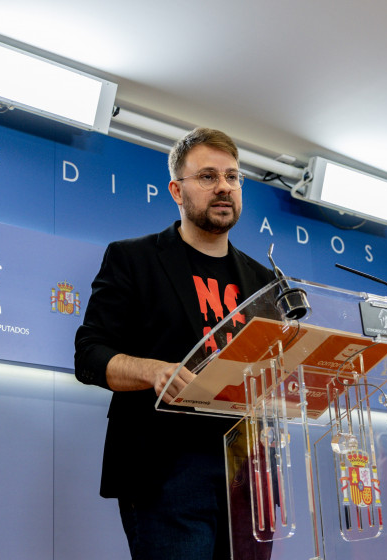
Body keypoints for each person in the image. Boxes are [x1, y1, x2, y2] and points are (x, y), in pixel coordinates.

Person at [75, 127, 276, 560]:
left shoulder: (265, 282)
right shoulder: (133, 259)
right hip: (167, 470)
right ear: (176, 191)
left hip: (249, 473)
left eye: (232, 177)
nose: (223, 186)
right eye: (207, 176)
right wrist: (153, 371)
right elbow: (89, 356)